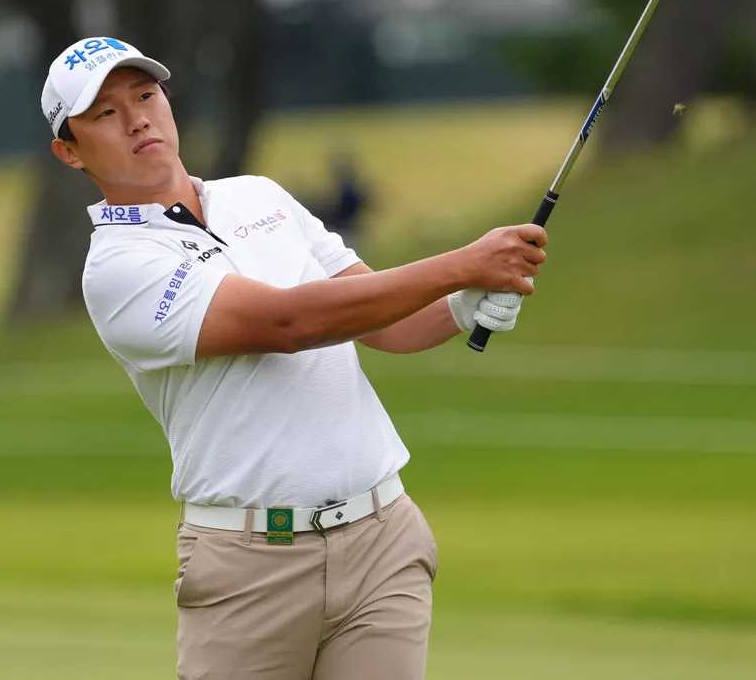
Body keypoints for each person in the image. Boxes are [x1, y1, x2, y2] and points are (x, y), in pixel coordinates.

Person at [42, 37, 546, 680]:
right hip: (249, 565)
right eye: (106, 113)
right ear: (70, 151)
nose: (137, 119)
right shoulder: (119, 266)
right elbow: (290, 322)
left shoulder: (259, 196)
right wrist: (462, 265)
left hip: (382, 540)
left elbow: (380, 322)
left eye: (146, 96)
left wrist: (459, 305)